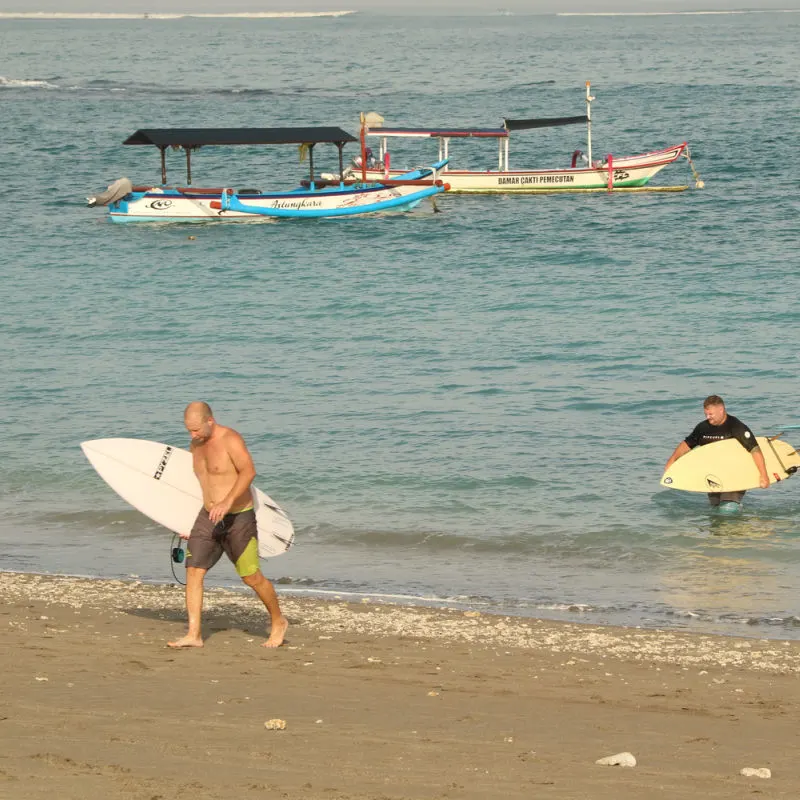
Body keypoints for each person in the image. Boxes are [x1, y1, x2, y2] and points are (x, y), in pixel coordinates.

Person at [168, 401, 288, 649]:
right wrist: (182, 519)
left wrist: (227, 502)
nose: (192, 436)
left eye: (196, 430)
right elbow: (205, 484)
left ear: (210, 421)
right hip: (208, 516)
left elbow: (248, 472)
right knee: (193, 571)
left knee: (251, 577)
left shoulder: (230, 439)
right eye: (188, 431)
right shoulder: (195, 445)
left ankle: (278, 621)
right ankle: (194, 634)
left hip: (238, 517)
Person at [664, 395, 769, 508]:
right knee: (715, 509)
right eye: (706, 414)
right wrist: (672, 460)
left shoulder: (735, 426)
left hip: (735, 473)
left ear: (721, 410)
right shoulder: (702, 428)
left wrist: (763, 475)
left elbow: (754, 449)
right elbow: (687, 444)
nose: (708, 417)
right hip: (714, 475)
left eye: (711, 414)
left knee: (727, 509)